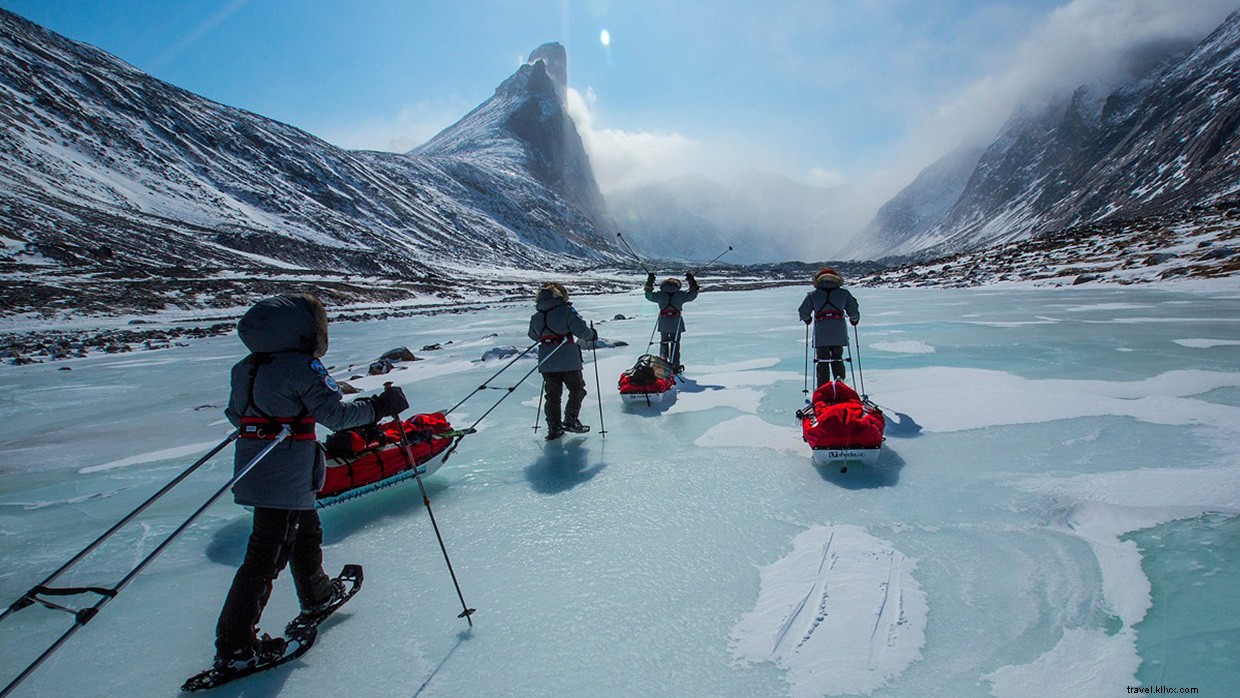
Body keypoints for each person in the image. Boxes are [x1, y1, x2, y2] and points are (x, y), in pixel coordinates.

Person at [214, 293, 408, 671]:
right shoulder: (302, 367)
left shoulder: (245, 368)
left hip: (257, 465)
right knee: (265, 557)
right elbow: (335, 415)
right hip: (287, 471)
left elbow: (235, 414)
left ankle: (317, 592)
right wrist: (381, 407)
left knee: (305, 531)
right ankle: (235, 646)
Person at [528, 282, 597, 441]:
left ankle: (554, 427)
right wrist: (592, 334)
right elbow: (581, 331)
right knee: (577, 389)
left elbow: (532, 335)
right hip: (568, 359)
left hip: (547, 360)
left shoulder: (536, 316)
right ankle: (570, 420)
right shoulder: (566, 311)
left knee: (552, 395)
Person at [798, 267, 860, 387]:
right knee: (838, 358)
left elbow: (803, 312)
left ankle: (823, 388)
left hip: (821, 335)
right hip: (839, 334)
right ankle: (840, 386)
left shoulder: (813, 295)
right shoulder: (844, 293)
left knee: (822, 361)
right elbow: (854, 312)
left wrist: (808, 320)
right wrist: (854, 320)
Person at [643, 272, 699, 372]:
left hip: (663, 322)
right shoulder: (681, 295)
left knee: (664, 342)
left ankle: (663, 363)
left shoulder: (660, 295)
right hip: (676, 323)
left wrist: (650, 282)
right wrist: (692, 282)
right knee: (675, 344)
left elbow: (648, 296)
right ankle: (675, 366)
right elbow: (693, 295)